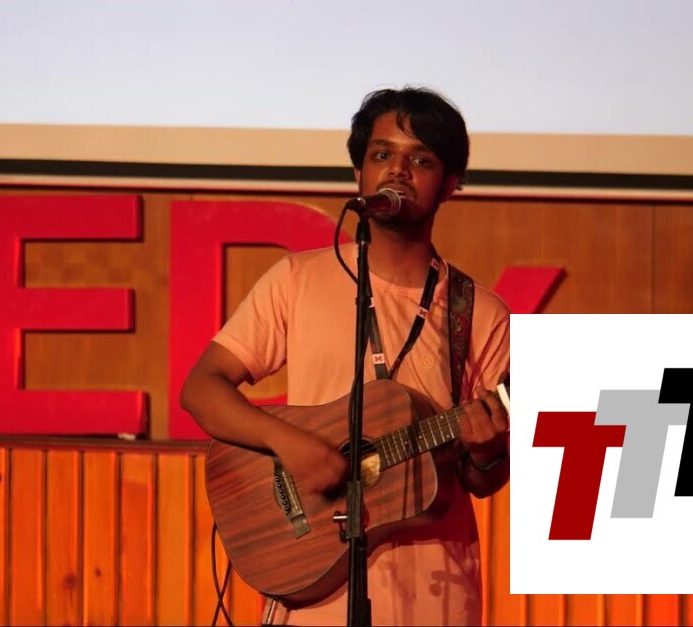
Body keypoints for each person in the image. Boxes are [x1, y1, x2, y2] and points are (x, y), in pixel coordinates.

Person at [180, 86, 511, 626]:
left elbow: (483, 480)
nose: (397, 170)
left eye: (420, 160)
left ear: (450, 184)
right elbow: (202, 388)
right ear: (359, 172)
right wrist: (287, 443)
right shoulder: (297, 279)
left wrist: (487, 449)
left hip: (435, 596)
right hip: (314, 591)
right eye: (382, 154)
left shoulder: (478, 312)